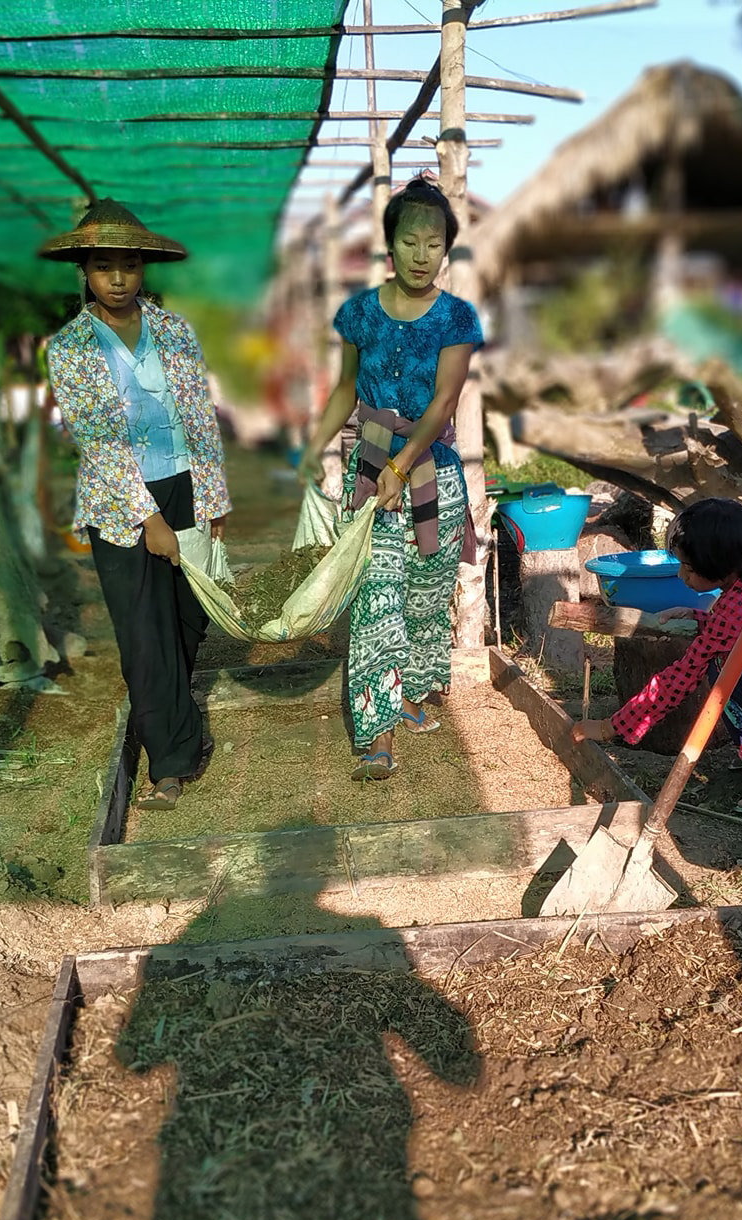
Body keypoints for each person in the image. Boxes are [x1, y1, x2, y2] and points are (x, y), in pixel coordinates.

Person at [40, 200, 230, 811]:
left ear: (144, 267)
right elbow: (97, 440)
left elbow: (199, 414)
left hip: (184, 484)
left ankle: (176, 715)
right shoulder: (69, 348)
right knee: (144, 634)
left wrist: (212, 498)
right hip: (120, 503)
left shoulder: (174, 331)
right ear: (84, 272)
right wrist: (149, 519)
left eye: (128, 265)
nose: (118, 279)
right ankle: (169, 762)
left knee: (190, 617)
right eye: (104, 267)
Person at [299, 178, 483, 781]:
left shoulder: (457, 318)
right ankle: (377, 730)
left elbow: (445, 400)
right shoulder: (358, 313)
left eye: (434, 244)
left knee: (424, 597)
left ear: (446, 249)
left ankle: (407, 693)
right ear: (390, 243)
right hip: (370, 472)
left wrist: (402, 468)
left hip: (435, 473)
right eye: (410, 241)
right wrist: (312, 446)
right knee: (374, 598)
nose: (422, 255)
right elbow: (345, 390)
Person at [570, 498, 742, 814]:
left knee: (728, 667)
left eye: (689, 568)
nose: (682, 576)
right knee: (735, 659)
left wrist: (611, 726)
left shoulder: (732, 615)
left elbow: (678, 679)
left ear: (719, 568)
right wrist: (701, 617)